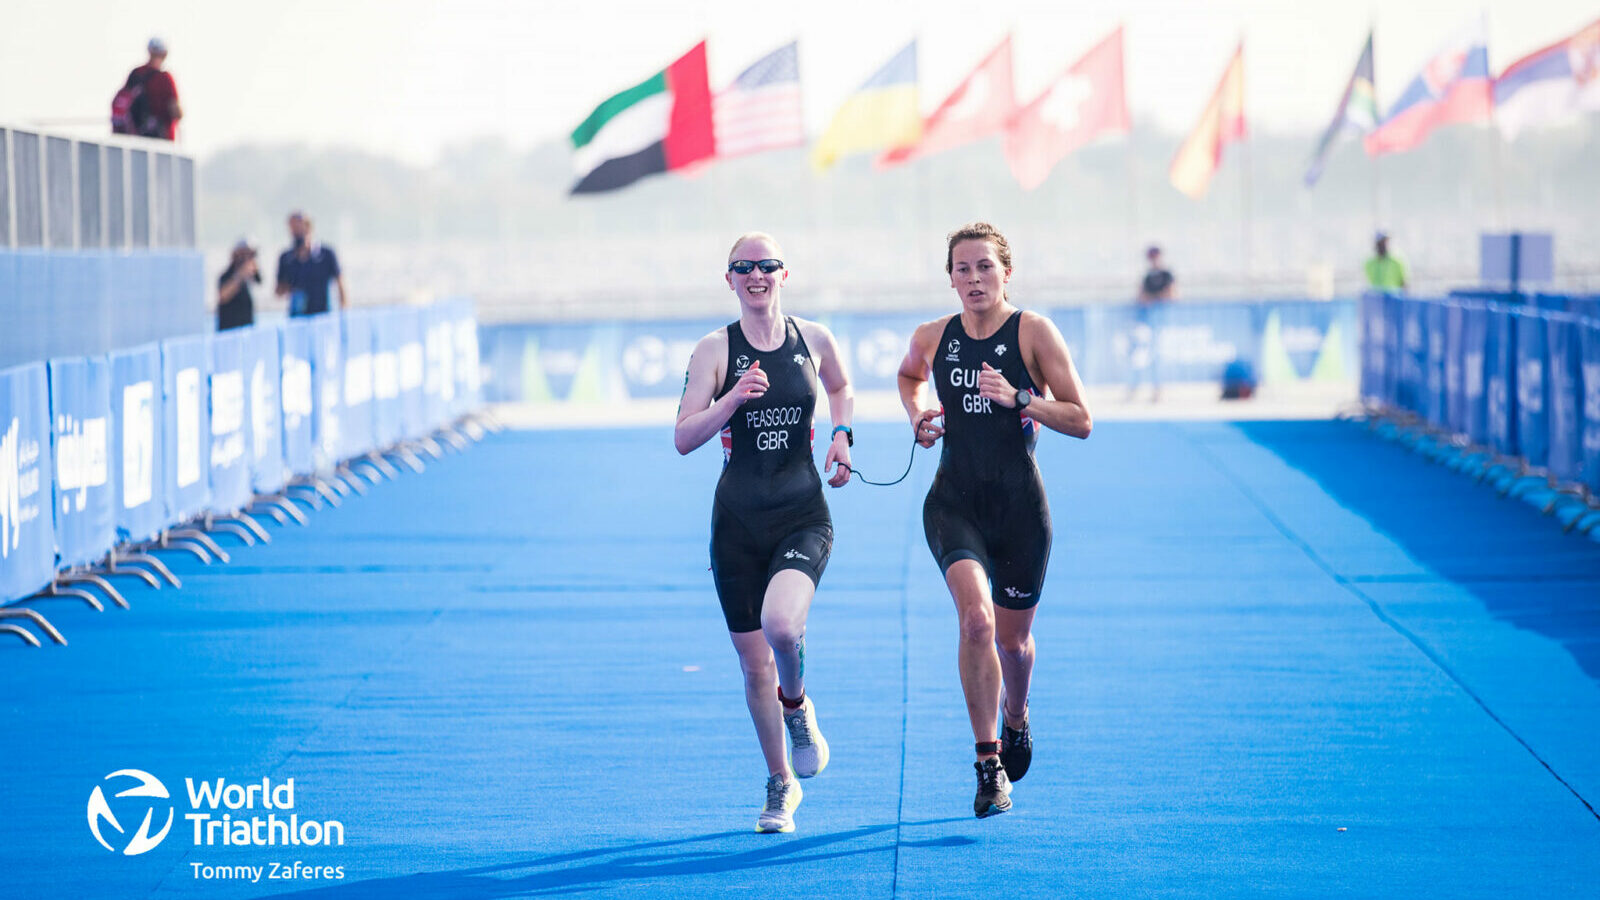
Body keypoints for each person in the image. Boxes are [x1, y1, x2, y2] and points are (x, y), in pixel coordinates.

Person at [897, 222, 1091, 818]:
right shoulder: (934, 336)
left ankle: (1016, 715)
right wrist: (918, 414)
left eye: (985, 267)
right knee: (976, 622)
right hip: (954, 503)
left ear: (1007, 272)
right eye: (963, 269)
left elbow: (1081, 419)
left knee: (1015, 642)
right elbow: (907, 376)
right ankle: (988, 765)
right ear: (949, 277)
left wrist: (1021, 399)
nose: (974, 279)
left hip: (1020, 511)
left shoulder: (1033, 332)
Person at [674, 233, 855, 834]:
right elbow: (683, 436)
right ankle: (781, 783)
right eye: (742, 268)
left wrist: (841, 434)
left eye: (766, 266)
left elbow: (841, 387)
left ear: (784, 273)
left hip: (803, 512)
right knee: (754, 667)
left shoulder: (814, 338)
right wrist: (731, 399)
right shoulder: (714, 350)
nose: (756, 275)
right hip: (736, 525)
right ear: (729, 279)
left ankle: (797, 705)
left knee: (782, 624)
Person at [275, 212, 348, 317]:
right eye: (293, 229)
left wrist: (343, 312)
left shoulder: (326, 254)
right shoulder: (286, 258)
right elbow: (278, 291)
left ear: (308, 228)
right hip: (297, 317)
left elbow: (340, 282)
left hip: (323, 316)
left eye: (299, 228)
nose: (296, 233)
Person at [1130, 244, 1175, 402]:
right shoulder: (1148, 277)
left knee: (1158, 356)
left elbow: (1172, 294)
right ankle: (1136, 387)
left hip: (1161, 323)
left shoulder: (1166, 275)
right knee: (1141, 356)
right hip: (1148, 324)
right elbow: (1141, 297)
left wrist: (1155, 299)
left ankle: (1157, 390)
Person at [115, 38, 182, 140]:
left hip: (136, 138)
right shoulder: (165, 78)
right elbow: (176, 112)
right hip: (162, 141)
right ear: (164, 55)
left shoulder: (136, 73)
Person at [216, 239, 261, 331]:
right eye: (245, 254)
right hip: (229, 332)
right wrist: (240, 276)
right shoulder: (227, 276)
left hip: (246, 332)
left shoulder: (249, 280)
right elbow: (223, 296)